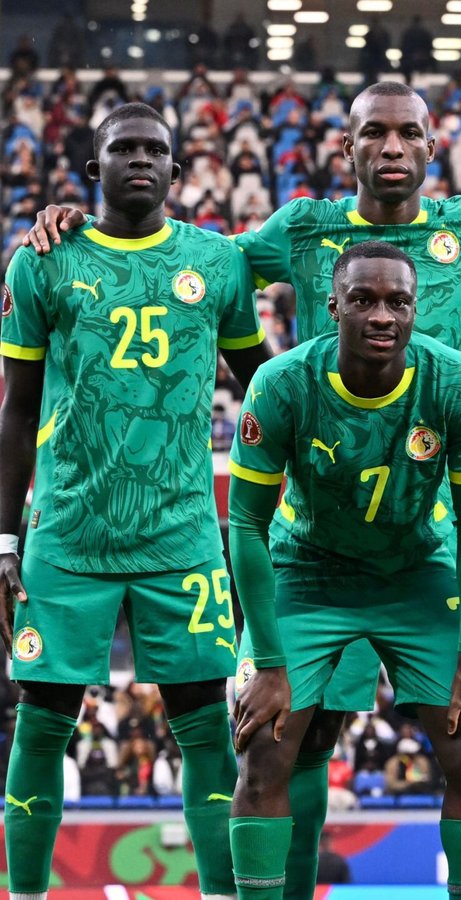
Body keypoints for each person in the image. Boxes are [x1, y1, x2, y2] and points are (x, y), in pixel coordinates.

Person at [23, 79, 461, 900]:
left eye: (408, 136)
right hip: (313, 532)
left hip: (423, 538)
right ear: (347, 148)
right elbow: (190, 259)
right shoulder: (303, 228)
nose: (391, 149)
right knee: (304, 735)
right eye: (374, 135)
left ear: (433, 149)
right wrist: (81, 225)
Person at [0, 102, 270, 900]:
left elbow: (261, 386)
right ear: (95, 167)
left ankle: (222, 893)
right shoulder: (43, 261)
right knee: (42, 722)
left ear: (179, 171)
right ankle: (26, 892)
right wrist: (3, 541)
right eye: (124, 148)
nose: (141, 159)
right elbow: (15, 411)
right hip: (69, 532)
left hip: (180, 535)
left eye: (157, 149)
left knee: (205, 731)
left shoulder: (217, 264)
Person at [226, 240, 461, 900]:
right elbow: (244, 525)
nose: (382, 315)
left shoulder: (459, 382)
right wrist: (267, 663)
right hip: (308, 570)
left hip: (418, 571)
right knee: (265, 744)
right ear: (333, 307)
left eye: (398, 302)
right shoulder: (284, 383)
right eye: (364, 300)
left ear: (416, 311)